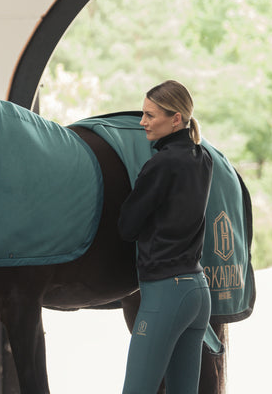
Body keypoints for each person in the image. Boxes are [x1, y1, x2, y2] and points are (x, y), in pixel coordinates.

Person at [118, 80, 213, 394]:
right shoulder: (203, 158)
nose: (142, 122)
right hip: (197, 293)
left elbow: (127, 227)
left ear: (175, 119)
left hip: (166, 295)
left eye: (150, 115)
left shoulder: (160, 164)